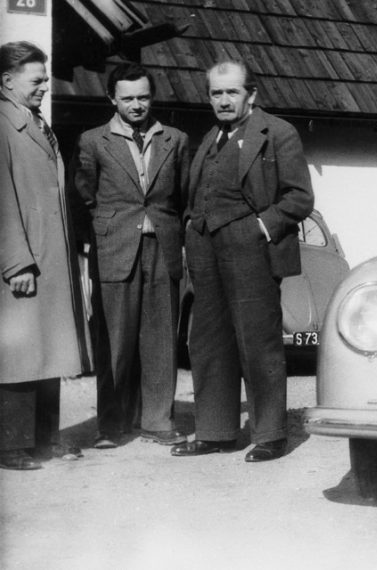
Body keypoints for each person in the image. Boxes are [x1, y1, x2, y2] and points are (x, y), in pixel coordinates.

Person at [171, 59, 313, 462]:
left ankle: (270, 434)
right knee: (208, 341)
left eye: (232, 91)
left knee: (257, 341)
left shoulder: (278, 133)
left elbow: (300, 197)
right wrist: (191, 226)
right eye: (216, 93)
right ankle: (216, 432)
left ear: (251, 94)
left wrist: (260, 227)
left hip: (252, 249)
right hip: (206, 248)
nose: (223, 100)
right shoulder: (211, 137)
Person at [73, 62, 191, 449]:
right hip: (114, 248)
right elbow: (84, 195)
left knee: (160, 340)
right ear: (112, 98)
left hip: (162, 246)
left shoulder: (175, 139)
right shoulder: (93, 141)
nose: (137, 105)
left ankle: (157, 420)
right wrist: (106, 230)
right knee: (115, 340)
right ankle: (111, 424)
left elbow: (183, 195)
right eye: (128, 99)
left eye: (143, 97)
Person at [0, 41, 89, 470]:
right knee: (20, 353)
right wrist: (16, 262)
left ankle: (45, 439)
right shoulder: (2, 125)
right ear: (7, 81)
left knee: (49, 348)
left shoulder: (33, 120)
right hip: (23, 260)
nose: (44, 87)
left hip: (49, 255)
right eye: (36, 80)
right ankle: (11, 446)